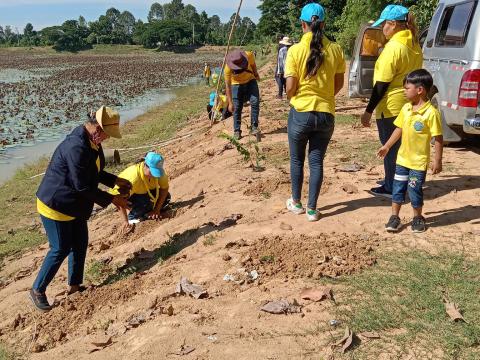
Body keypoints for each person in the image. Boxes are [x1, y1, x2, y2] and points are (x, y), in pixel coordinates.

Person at [30, 106, 132, 312]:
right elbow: (82, 185)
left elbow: (95, 172)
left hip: (74, 203)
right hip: (57, 204)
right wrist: (114, 199)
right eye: (106, 135)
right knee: (60, 248)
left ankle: (75, 287)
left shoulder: (92, 142)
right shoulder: (76, 147)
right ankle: (37, 290)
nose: (107, 139)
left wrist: (116, 179)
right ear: (97, 128)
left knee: (80, 243)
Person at [284, 2, 346, 222]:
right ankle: (312, 210)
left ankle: (296, 203)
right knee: (317, 161)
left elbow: (290, 86)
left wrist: (294, 98)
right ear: (324, 24)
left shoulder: (295, 50)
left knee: (297, 160)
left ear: (302, 24)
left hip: (301, 112)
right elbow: (338, 84)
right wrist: (325, 97)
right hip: (326, 113)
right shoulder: (336, 49)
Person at [360, 5, 423, 198]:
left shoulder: (393, 48)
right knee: (404, 147)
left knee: (389, 146)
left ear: (393, 24)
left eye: (384, 26)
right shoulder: (413, 44)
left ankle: (391, 187)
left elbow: (381, 85)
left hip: (391, 106)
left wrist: (368, 110)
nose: (382, 30)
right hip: (409, 103)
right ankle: (397, 180)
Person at [377, 69, 443, 233]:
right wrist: (387, 146)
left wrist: (437, 160)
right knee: (397, 188)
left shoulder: (431, 113)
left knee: (414, 190)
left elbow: (438, 138)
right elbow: (398, 129)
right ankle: (394, 217)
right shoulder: (406, 108)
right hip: (402, 160)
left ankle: (417, 218)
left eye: (407, 88)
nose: (404, 91)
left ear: (419, 90)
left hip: (418, 163)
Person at [111, 152, 171, 234]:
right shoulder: (133, 178)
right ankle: (133, 217)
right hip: (125, 196)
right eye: (153, 172)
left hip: (145, 192)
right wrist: (125, 221)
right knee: (144, 204)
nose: (155, 175)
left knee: (166, 198)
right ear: (145, 166)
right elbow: (118, 199)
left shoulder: (160, 173)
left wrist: (157, 210)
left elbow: (164, 189)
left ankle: (147, 212)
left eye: (156, 172)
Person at [225, 49, 261, 139]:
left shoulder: (249, 55)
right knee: (236, 107)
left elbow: (253, 65)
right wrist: (230, 103)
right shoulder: (227, 68)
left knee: (255, 101)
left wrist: (256, 74)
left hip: (250, 80)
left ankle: (254, 127)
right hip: (236, 85)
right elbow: (228, 86)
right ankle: (237, 131)